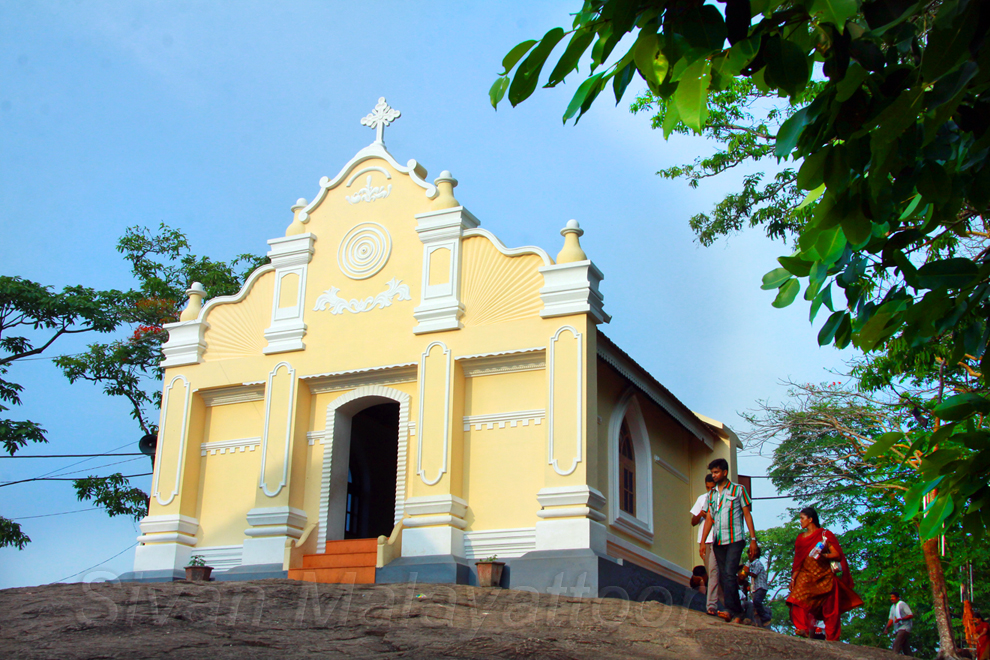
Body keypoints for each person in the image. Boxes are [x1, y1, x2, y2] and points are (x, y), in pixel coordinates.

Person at [785, 507, 863, 641]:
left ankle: (833, 638)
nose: (800, 521)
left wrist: (824, 555)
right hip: (806, 575)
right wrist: (793, 579)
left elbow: (837, 555)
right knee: (795, 599)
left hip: (825, 575)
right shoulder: (800, 538)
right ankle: (802, 628)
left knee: (831, 609)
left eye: (802, 518)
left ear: (810, 519)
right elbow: (797, 560)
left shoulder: (824, 535)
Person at [698, 458, 759, 624]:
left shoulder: (739, 490)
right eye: (712, 473)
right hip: (718, 540)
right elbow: (709, 518)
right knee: (725, 576)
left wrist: (753, 539)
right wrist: (703, 542)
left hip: (735, 539)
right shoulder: (712, 495)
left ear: (725, 472)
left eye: (717, 472)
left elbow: (747, 514)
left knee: (730, 574)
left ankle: (732, 610)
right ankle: (736, 611)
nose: (714, 475)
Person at [690, 473, 722, 615]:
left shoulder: (722, 497)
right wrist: (701, 514)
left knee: (718, 572)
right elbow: (693, 522)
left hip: (720, 539)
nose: (710, 490)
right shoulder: (702, 499)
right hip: (706, 540)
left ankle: (714, 604)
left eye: (712, 487)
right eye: (707, 487)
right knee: (712, 572)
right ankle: (715, 603)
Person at [748, 547, 772, 627]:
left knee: (757, 602)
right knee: (755, 605)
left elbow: (754, 574)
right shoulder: (753, 564)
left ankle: (766, 617)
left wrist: (746, 572)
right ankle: (757, 622)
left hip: (761, 587)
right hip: (756, 588)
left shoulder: (757, 563)